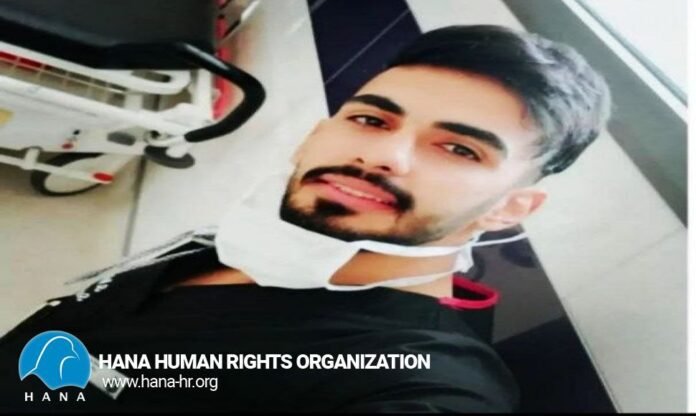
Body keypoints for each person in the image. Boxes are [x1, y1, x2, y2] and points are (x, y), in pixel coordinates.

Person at [0, 25, 610, 413]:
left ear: (509, 208)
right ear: (317, 134)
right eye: (371, 119)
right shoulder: (248, 241)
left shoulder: (419, 381)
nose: (383, 155)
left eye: (458, 149)